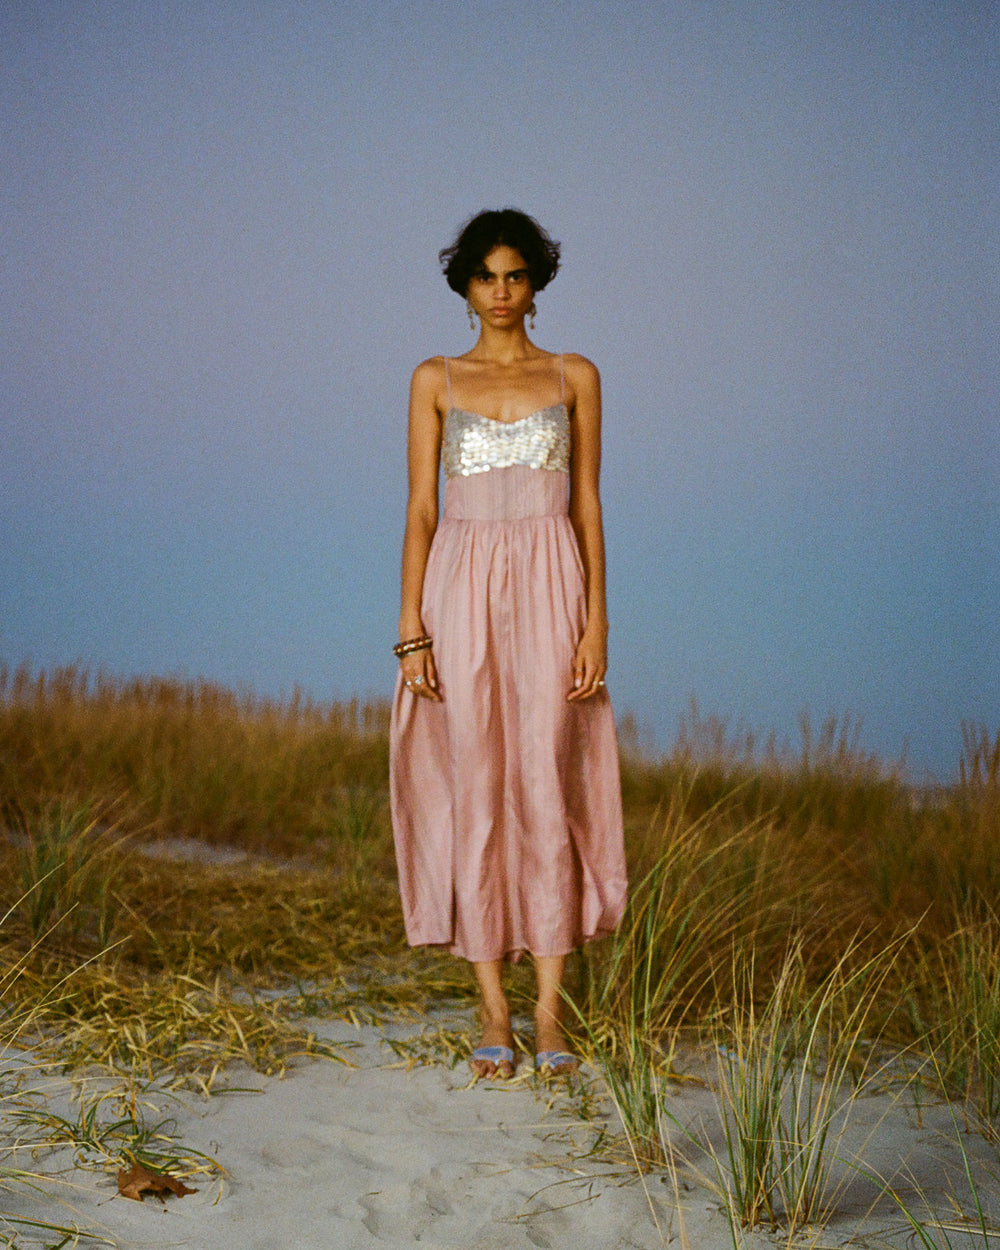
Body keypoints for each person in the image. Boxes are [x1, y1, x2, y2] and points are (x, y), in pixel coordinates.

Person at [389, 208, 627, 1079]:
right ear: (464, 286)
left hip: (551, 581)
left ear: (536, 282)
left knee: (547, 780)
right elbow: (421, 507)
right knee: (474, 788)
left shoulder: (575, 375)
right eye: (486, 276)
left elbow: (588, 504)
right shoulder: (435, 379)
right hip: (459, 589)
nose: (501, 291)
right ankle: (491, 1007)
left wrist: (597, 619)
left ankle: (550, 1013)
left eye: (515, 275)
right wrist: (410, 628)